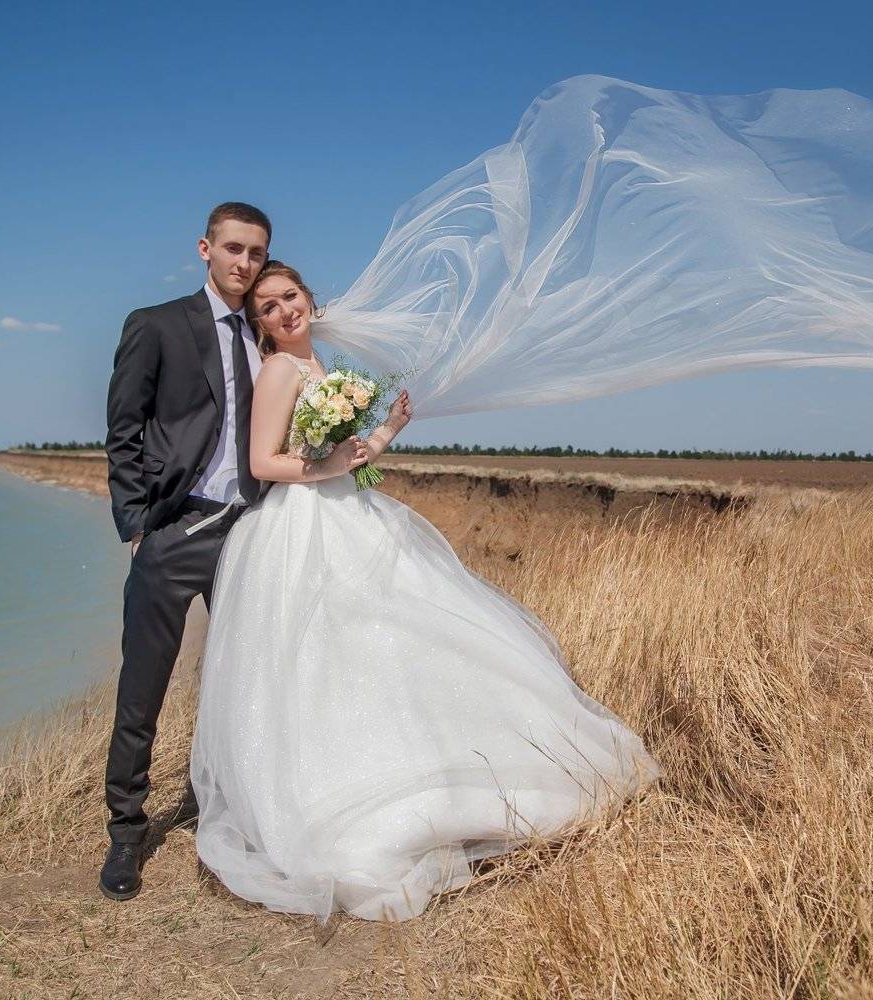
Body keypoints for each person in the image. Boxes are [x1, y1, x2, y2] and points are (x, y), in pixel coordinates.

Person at [189, 261, 658, 921]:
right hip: (301, 530)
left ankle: (450, 771)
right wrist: (328, 462)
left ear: (310, 299)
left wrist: (384, 432)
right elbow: (264, 463)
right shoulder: (278, 371)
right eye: (267, 307)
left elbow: (345, 460)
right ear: (260, 323)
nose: (283, 310)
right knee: (330, 657)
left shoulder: (320, 366)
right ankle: (344, 798)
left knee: (395, 639)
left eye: (290, 297)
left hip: (348, 512)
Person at [99, 202, 271, 901]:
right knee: (143, 685)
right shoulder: (157, 324)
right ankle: (125, 832)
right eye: (233, 248)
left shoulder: (267, 334)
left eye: (256, 253)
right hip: (175, 530)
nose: (244, 263)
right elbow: (123, 429)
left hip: (251, 533)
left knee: (247, 682)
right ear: (205, 248)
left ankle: (238, 809)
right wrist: (138, 526)